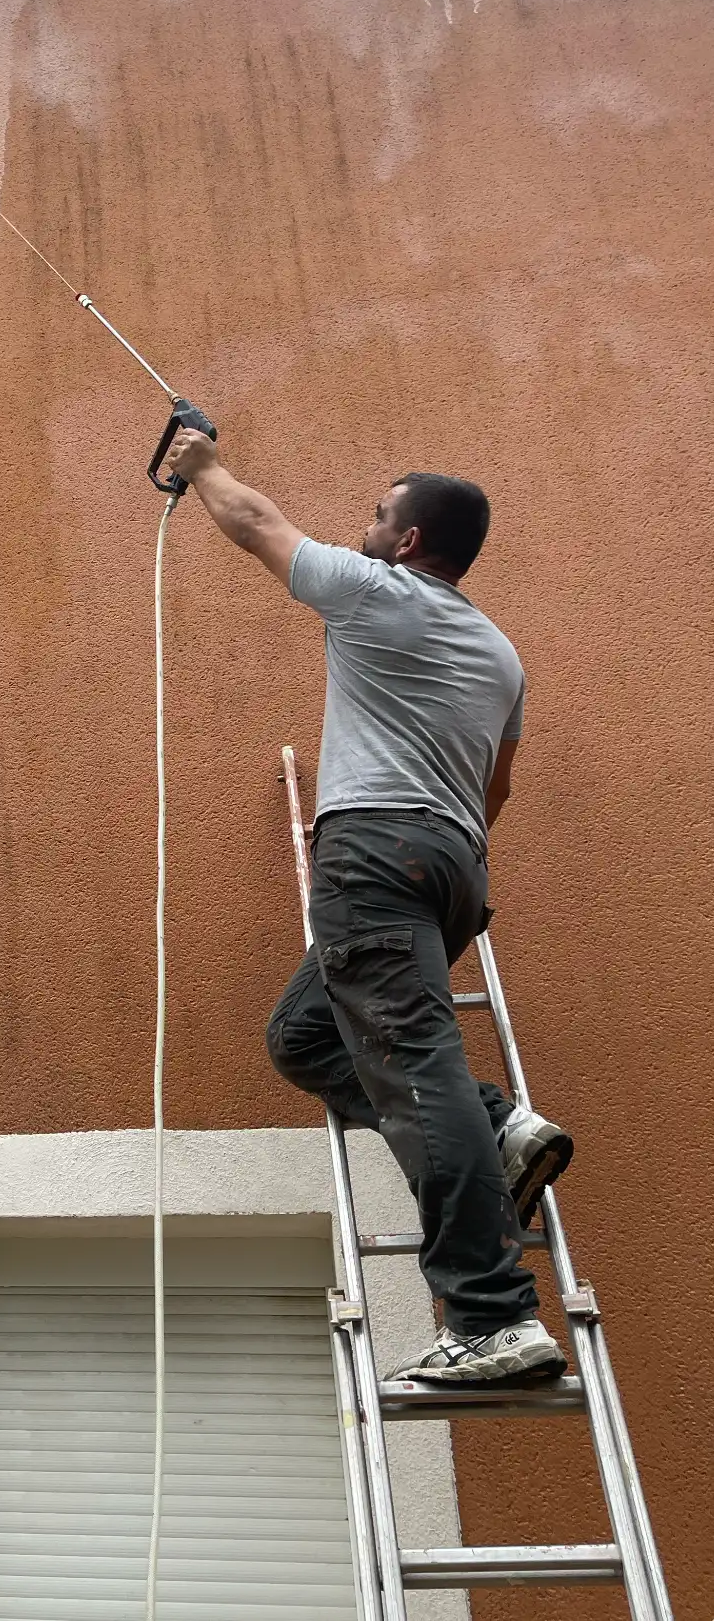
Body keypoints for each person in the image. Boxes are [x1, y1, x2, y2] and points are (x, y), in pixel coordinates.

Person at [162, 424, 573, 1385]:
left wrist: (200, 465)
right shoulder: (500, 655)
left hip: (377, 861)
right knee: (305, 1039)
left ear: (411, 543)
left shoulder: (375, 589)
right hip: (452, 865)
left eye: (378, 515)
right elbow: (496, 791)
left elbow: (257, 523)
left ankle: (493, 1317)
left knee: (415, 1081)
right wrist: (435, 849)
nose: (363, 529)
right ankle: (497, 1124)